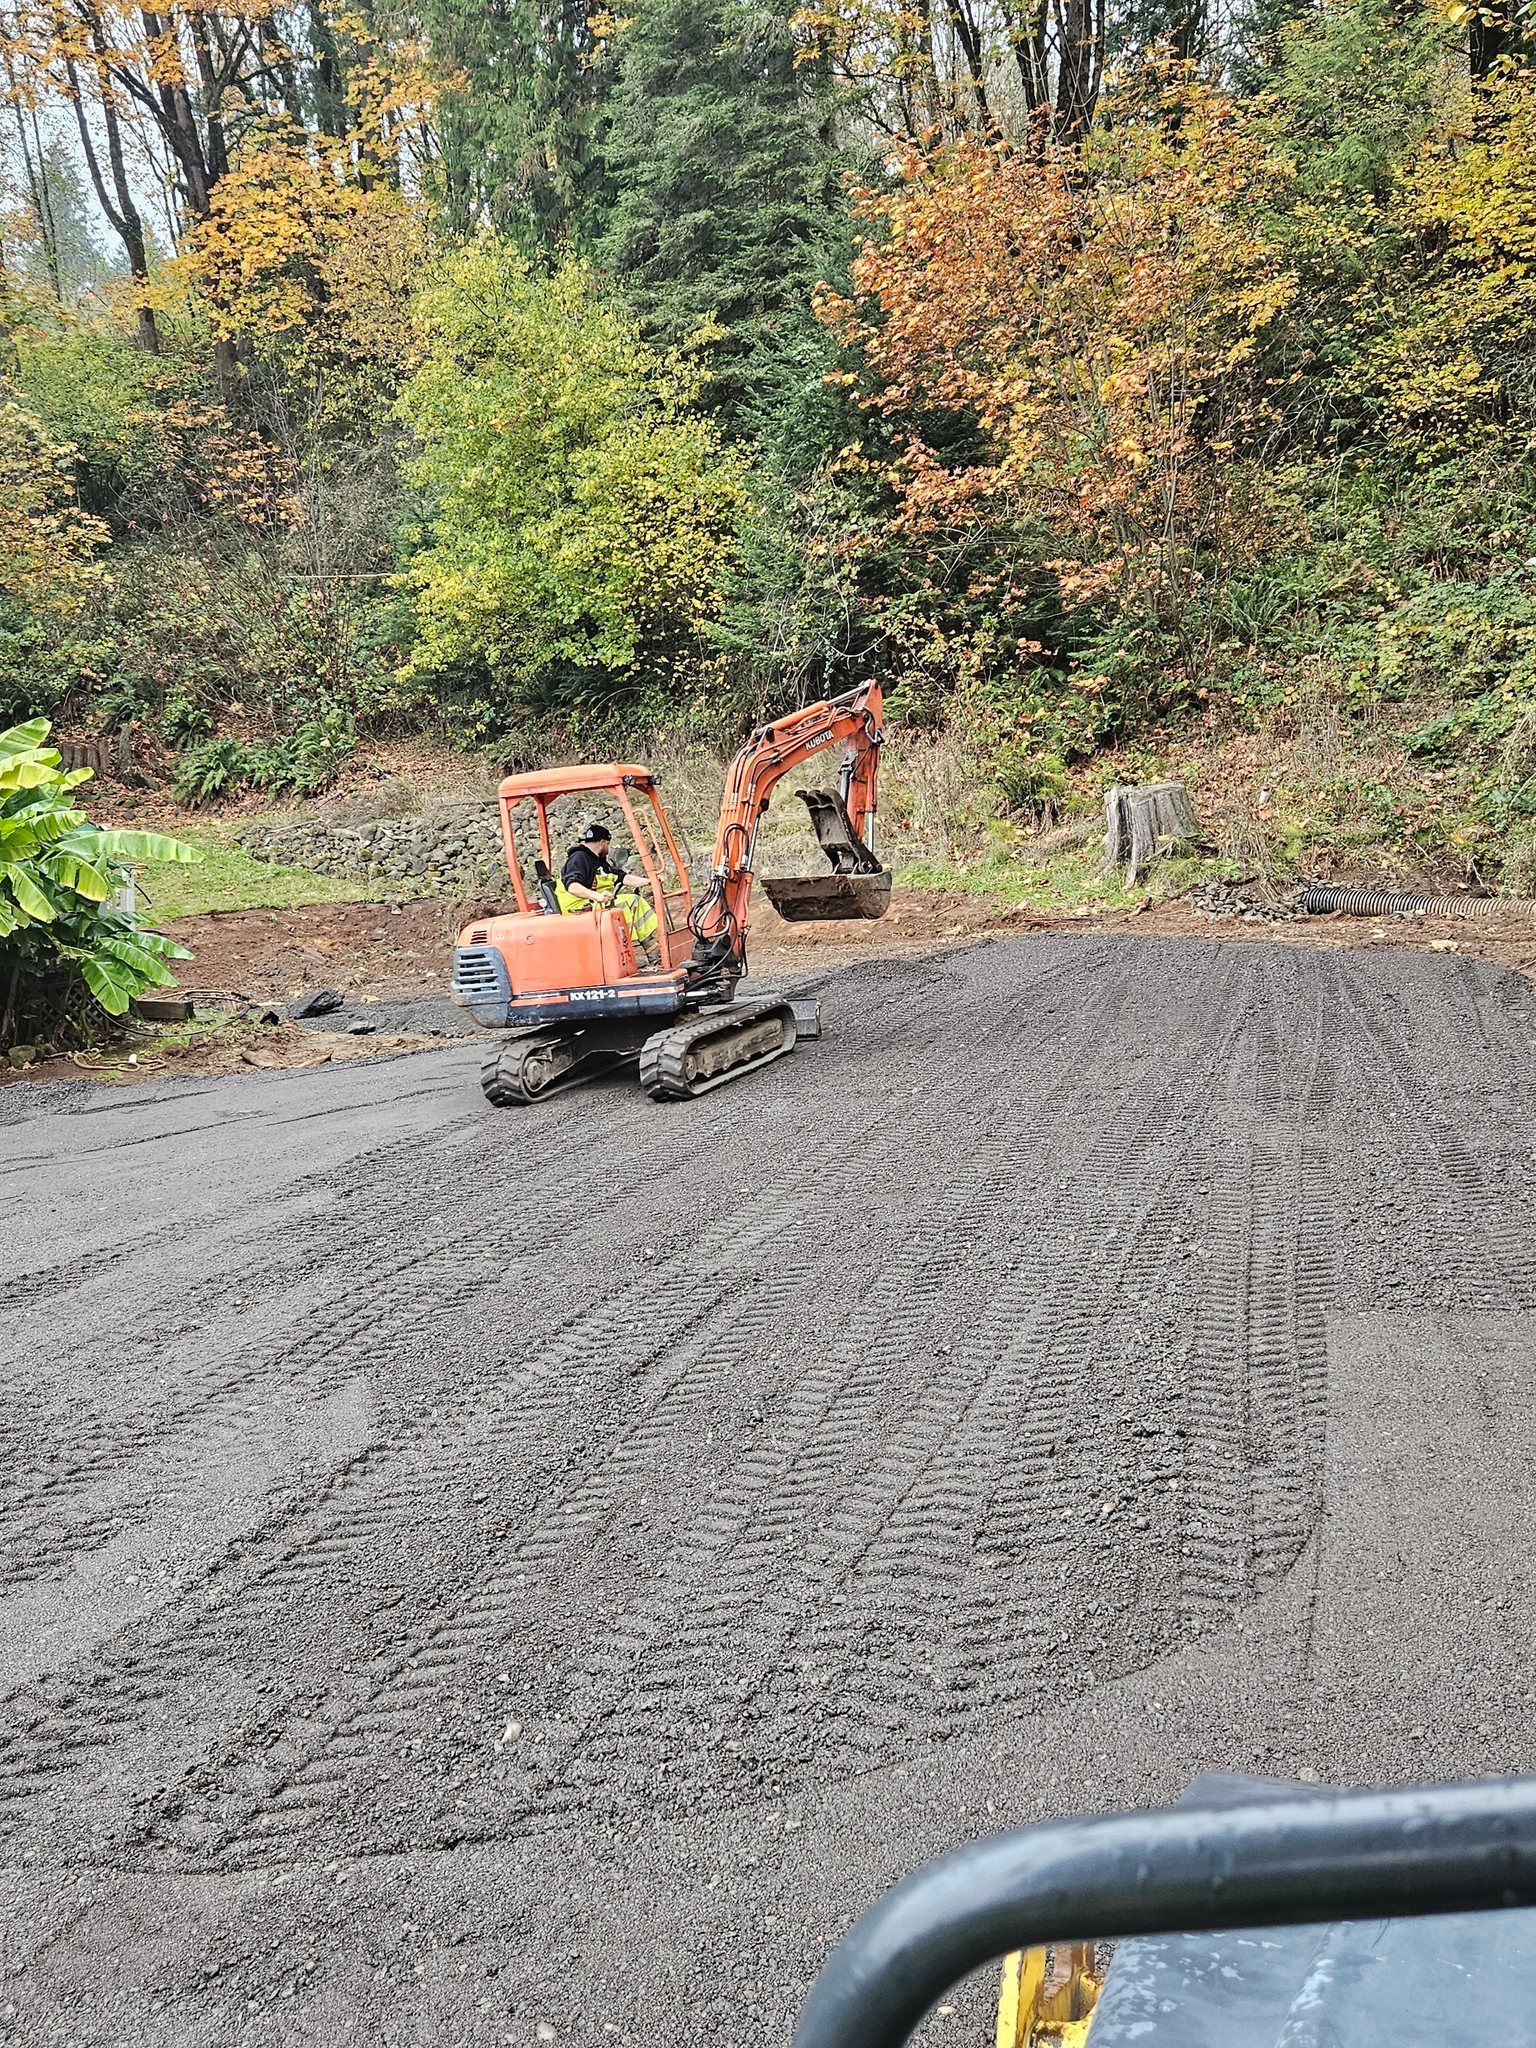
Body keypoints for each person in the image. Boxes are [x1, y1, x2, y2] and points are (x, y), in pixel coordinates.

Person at [557, 823, 660, 961]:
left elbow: (622, 877)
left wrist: (649, 881)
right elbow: (572, 886)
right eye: (608, 844)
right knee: (625, 905)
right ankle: (629, 952)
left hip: (591, 902)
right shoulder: (579, 858)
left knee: (634, 900)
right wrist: (597, 896)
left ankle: (652, 949)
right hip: (576, 907)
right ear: (602, 842)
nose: (608, 848)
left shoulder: (598, 861)